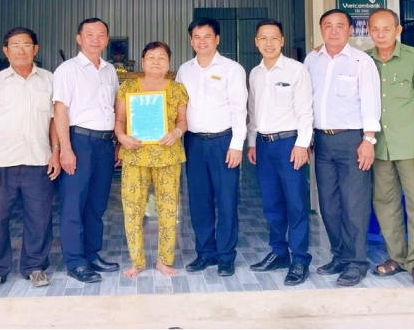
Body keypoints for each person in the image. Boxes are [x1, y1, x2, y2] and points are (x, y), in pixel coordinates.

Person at [0, 27, 61, 290]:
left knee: (39, 218)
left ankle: (34, 267)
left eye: (26, 45)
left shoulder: (49, 80)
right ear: (6, 51)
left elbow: (54, 120)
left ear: (35, 49)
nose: (21, 50)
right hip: (1, 161)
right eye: (15, 45)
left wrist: (56, 152)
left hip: (39, 160)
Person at [304, 9, 381, 287]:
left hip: (352, 141)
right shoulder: (311, 60)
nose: (333, 30)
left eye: (340, 26)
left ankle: (357, 262)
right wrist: (306, 137)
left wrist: (368, 140)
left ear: (350, 30)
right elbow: (305, 100)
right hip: (321, 141)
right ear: (321, 29)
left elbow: (371, 101)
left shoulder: (361, 61)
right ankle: (339, 255)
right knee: (329, 203)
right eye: (328, 25)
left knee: (354, 203)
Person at [366, 8, 414, 287]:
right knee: (384, 203)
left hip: (411, 145)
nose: (381, 34)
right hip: (379, 146)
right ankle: (396, 257)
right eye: (375, 29)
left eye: (387, 29)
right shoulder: (364, 60)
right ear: (368, 31)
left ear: (398, 30)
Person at [176, 17, 248, 277]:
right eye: (197, 37)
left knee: (227, 200)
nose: (202, 41)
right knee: (199, 201)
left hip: (223, 142)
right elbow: (178, 107)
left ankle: (226, 255)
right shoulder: (184, 70)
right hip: (194, 142)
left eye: (207, 36)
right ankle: (205, 252)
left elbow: (239, 109)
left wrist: (237, 145)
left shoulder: (232, 69)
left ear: (217, 39)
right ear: (191, 41)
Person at [53, 17, 121, 283]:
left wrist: (116, 143)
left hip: (104, 144)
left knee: (96, 204)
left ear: (106, 40)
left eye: (101, 34)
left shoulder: (109, 70)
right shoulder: (67, 70)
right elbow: (60, 110)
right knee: (74, 204)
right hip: (79, 141)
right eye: (89, 34)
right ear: (79, 38)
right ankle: (75, 261)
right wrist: (65, 149)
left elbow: (114, 108)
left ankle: (92, 254)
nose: (95, 39)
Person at [247, 20, 313, 286]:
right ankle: (279, 252)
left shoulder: (297, 70)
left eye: (274, 38)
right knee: (272, 203)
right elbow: (253, 111)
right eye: (263, 38)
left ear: (282, 41)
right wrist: (252, 141)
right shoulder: (255, 73)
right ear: (256, 42)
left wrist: (302, 144)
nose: (269, 43)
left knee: (296, 203)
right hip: (264, 145)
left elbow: (306, 110)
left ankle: (300, 259)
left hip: (289, 144)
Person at [115, 42, 188, 278]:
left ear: (169, 63)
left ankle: (164, 261)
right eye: (151, 57)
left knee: (167, 209)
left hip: (168, 156)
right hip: (135, 155)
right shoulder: (128, 87)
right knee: (133, 209)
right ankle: (137, 261)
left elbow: (182, 121)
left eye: (162, 57)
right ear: (143, 61)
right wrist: (122, 137)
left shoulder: (177, 89)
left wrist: (176, 132)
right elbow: (119, 121)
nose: (156, 62)